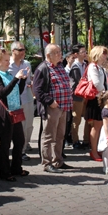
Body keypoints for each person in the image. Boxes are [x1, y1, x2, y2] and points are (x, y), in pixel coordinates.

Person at [33, 44, 74, 174]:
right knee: (49, 136)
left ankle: (58, 161)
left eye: (59, 51)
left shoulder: (60, 66)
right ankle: (47, 163)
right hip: (52, 107)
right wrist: (50, 101)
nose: (59, 54)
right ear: (48, 55)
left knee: (60, 135)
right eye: (56, 52)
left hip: (64, 106)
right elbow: (37, 90)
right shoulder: (43, 68)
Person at [0, 48, 30, 181]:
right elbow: (2, 92)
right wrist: (16, 79)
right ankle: (5, 172)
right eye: (6, 60)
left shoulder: (7, 74)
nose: (9, 62)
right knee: (5, 143)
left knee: (19, 141)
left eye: (9, 60)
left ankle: (16, 168)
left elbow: (16, 91)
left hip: (15, 111)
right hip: (4, 113)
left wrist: (23, 80)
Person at [9, 41, 34, 161]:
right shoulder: (7, 65)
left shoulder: (27, 64)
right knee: (18, 127)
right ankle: (19, 150)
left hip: (27, 98)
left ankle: (23, 148)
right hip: (14, 100)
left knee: (28, 126)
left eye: (24, 50)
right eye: (20, 50)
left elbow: (29, 81)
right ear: (13, 51)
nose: (23, 52)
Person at [85, 46, 108, 161]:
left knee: (100, 126)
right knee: (96, 126)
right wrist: (106, 93)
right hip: (96, 99)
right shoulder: (92, 67)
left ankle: (97, 149)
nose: (105, 55)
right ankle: (93, 151)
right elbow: (96, 83)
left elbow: (105, 84)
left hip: (102, 99)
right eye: (103, 53)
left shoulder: (102, 68)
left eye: (106, 53)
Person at [68, 44, 90, 150]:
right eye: (83, 52)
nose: (85, 54)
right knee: (76, 119)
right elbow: (77, 83)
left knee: (87, 118)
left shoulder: (85, 65)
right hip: (77, 97)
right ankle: (75, 140)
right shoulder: (75, 67)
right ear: (76, 54)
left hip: (86, 96)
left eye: (85, 52)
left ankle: (86, 140)